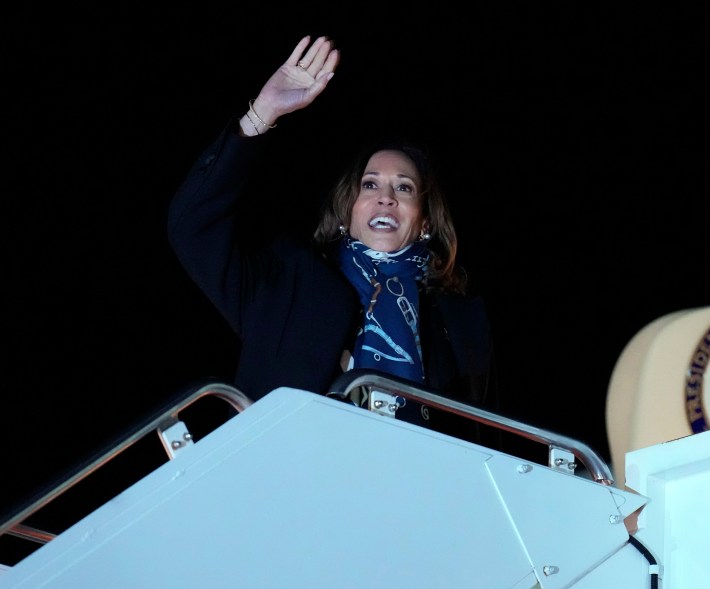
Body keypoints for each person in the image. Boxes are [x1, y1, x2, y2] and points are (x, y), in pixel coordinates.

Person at [168, 34, 500, 444]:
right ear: (348, 213)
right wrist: (262, 113)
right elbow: (192, 226)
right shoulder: (287, 283)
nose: (385, 197)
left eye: (405, 188)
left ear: (425, 222)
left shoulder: (456, 319)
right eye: (371, 184)